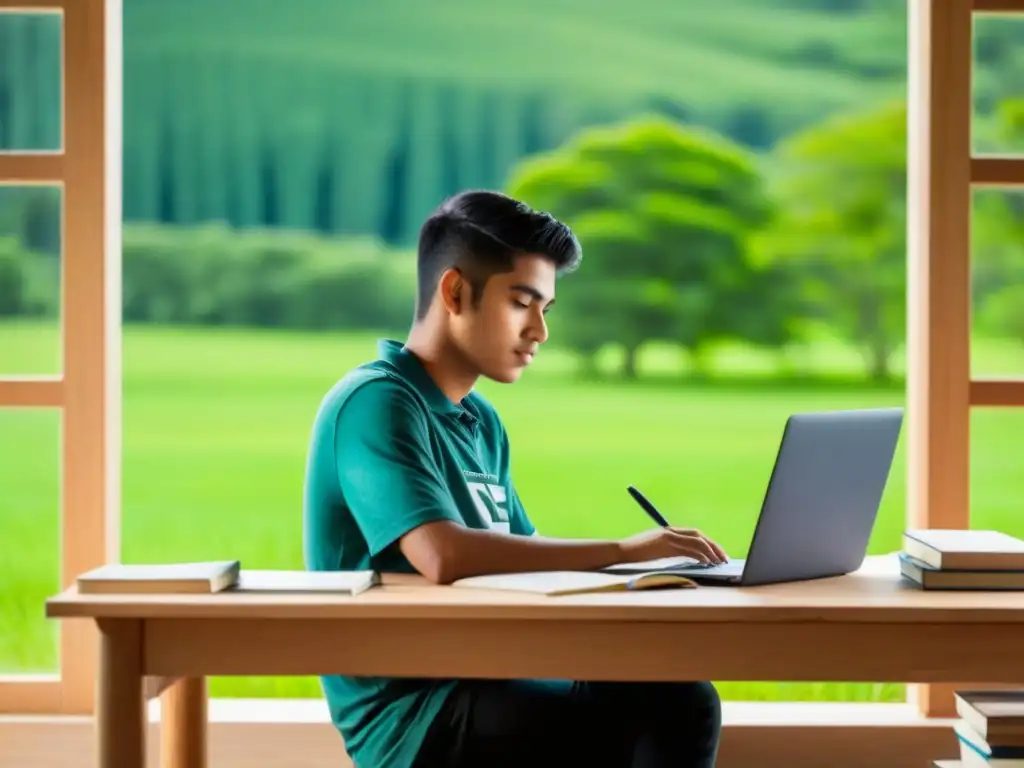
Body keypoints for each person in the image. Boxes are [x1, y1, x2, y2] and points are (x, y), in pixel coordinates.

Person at [303, 190, 727, 768]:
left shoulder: (481, 421)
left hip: (490, 670)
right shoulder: (377, 401)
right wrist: (625, 549)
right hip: (417, 716)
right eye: (522, 302)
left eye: (545, 309)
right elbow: (441, 554)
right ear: (454, 292)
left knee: (677, 696)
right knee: (675, 711)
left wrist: (646, 573)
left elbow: (529, 560)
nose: (539, 331)